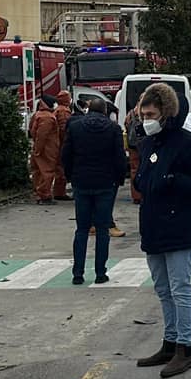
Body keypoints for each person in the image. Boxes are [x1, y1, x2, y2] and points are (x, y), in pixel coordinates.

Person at [132, 84, 191, 377]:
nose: (146, 120)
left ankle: (185, 348)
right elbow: (142, 178)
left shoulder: (188, 143)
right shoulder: (148, 144)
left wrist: (172, 180)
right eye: (143, 115)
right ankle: (169, 342)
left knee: (181, 289)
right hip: (153, 225)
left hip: (179, 225)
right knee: (163, 289)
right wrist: (143, 182)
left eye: (151, 114)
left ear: (166, 113)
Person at [61, 92, 127, 285]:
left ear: (88, 109)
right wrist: (119, 179)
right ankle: (100, 273)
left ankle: (78, 273)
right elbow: (119, 158)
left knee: (81, 229)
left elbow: (66, 154)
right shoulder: (113, 129)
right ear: (105, 111)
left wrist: (70, 176)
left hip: (81, 182)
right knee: (102, 229)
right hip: (106, 183)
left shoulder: (75, 126)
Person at [29, 96, 62, 202]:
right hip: (47, 148)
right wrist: (39, 149)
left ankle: (39, 193)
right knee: (47, 171)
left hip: (41, 147)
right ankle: (44, 195)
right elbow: (42, 135)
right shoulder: (48, 117)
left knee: (38, 171)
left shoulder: (38, 115)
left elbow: (33, 131)